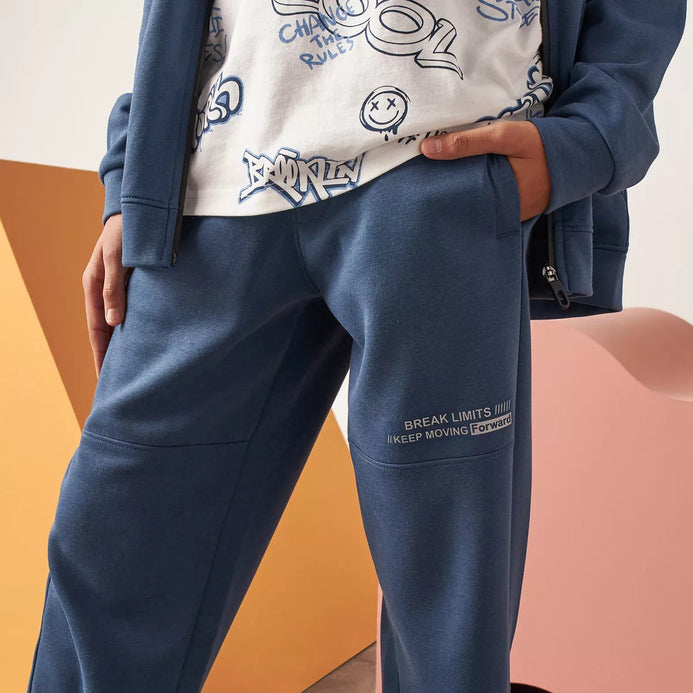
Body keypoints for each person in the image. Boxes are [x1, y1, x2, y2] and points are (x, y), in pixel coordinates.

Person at [27, 1, 686, 691]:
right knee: (108, 547)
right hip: (215, 183)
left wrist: (589, 137)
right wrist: (134, 175)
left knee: (444, 628)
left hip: (441, 172)